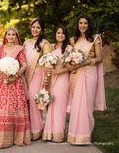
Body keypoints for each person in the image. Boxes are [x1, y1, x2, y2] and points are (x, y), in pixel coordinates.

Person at [67, 15, 106, 145]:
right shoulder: (73, 40)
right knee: (77, 103)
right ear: (77, 25)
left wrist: (86, 62)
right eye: (80, 23)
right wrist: (71, 64)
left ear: (89, 25)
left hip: (90, 73)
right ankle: (74, 136)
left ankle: (85, 135)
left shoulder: (95, 39)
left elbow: (100, 58)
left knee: (87, 105)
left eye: (85, 23)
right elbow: (68, 57)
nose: (83, 25)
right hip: (76, 73)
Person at [23, 18, 53, 140]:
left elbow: (48, 63)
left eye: (38, 27)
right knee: (26, 101)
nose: (35, 29)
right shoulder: (26, 42)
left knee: (34, 101)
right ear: (30, 28)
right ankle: (27, 129)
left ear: (42, 30)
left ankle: (36, 130)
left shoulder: (44, 44)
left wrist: (46, 80)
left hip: (37, 75)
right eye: (33, 27)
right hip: (25, 75)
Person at [43, 25, 71, 142]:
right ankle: (50, 133)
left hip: (63, 79)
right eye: (58, 33)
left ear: (66, 35)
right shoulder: (52, 48)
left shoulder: (68, 48)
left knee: (59, 105)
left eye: (63, 33)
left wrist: (58, 71)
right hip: (52, 79)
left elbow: (70, 67)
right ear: (55, 34)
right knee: (52, 104)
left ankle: (59, 134)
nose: (60, 35)